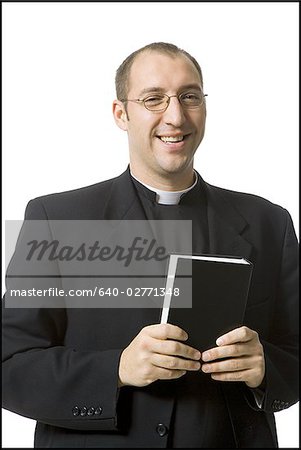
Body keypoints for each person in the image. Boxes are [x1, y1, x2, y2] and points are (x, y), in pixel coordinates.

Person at [2, 42, 298, 448]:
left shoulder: (269, 222)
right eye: (153, 99)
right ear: (121, 113)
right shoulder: (57, 220)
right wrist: (117, 368)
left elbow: (295, 355)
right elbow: (10, 365)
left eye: (189, 97)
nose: (175, 116)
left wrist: (265, 368)